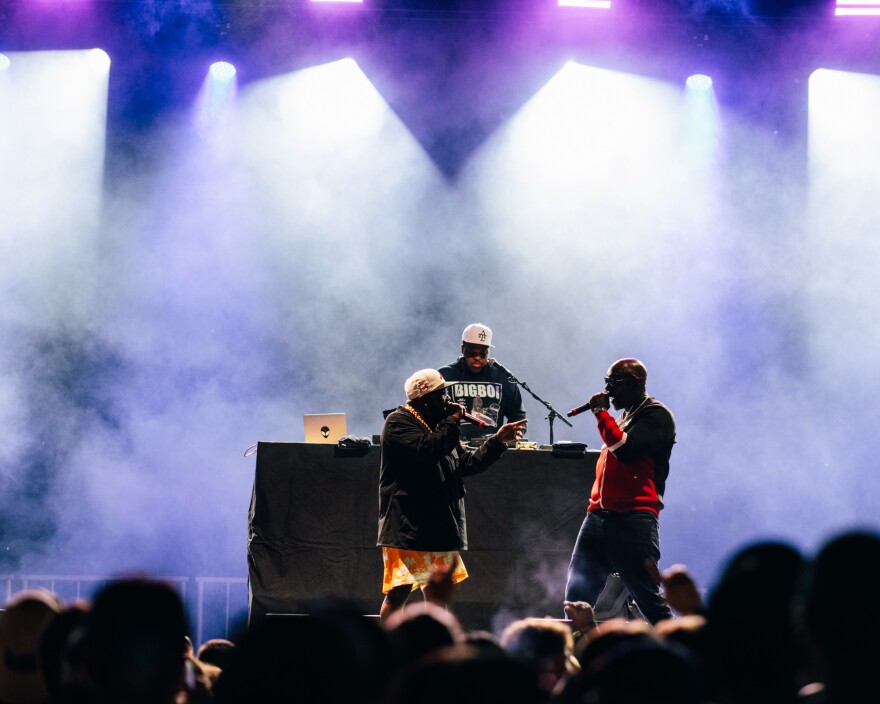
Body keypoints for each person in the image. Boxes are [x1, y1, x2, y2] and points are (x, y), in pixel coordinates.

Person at [377, 368, 527, 619]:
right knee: (398, 592)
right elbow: (428, 450)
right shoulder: (398, 422)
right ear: (425, 399)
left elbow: (465, 463)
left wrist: (497, 442)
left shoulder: (438, 425)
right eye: (442, 395)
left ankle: (435, 645)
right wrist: (453, 420)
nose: (449, 401)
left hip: (435, 522)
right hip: (409, 525)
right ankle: (387, 649)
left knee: (436, 593)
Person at [564, 358, 675, 625]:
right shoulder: (626, 415)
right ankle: (580, 660)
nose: (608, 390)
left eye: (614, 384)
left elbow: (625, 451)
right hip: (598, 518)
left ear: (637, 384)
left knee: (648, 599)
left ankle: (682, 651)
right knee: (576, 599)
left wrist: (602, 414)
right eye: (606, 383)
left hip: (632, 519)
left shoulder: (656, 415)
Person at [438, 324, 526, 440]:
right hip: (452, 449)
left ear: (488, 352)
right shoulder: (444, 375)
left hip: (492, 449)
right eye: (472, 353)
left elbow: (517, 413)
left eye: (482, 353)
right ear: (462, 349)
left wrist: (515, 433)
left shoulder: (502, 376)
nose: (477, 358)